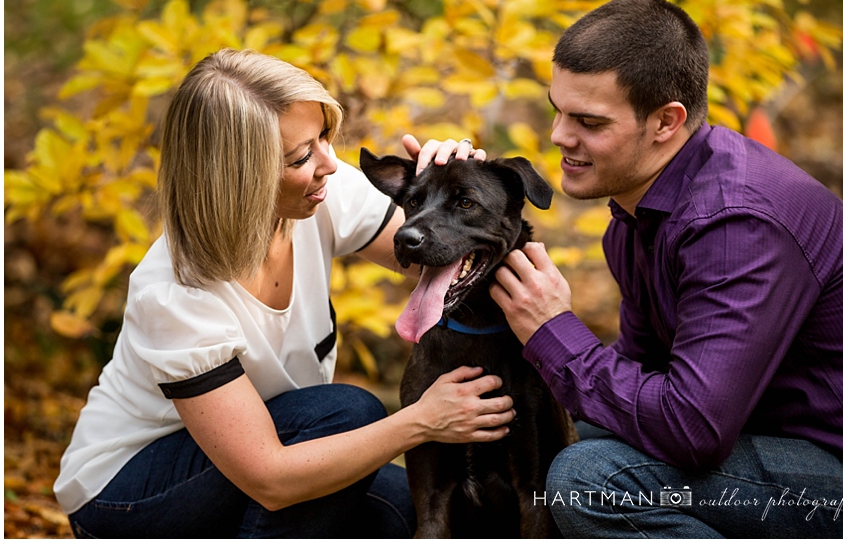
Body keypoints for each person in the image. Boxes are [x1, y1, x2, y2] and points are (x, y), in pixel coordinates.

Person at [54, 48, 516, 538]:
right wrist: (421, 421)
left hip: (285, 439)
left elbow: (440, 248)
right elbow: (270, 478)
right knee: (350, 414)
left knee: (410, 512)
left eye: (323, 137)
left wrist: (456, 189)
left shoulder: (319, 194)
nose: (330, 164)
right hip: (130, 493)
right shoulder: (174, 291)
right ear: (238, 176)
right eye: (301, 156)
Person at [489, 0, 843, 538]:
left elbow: (691, 429)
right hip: (766, 441)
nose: (560, 136)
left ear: (665, 121)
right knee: (557, 430)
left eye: (588, 121)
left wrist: (553, 331)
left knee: (588, 479)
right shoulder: (638, 218)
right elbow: (645, 374)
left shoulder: (736, 225)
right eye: (557, 110)